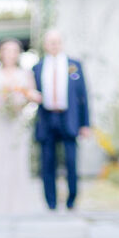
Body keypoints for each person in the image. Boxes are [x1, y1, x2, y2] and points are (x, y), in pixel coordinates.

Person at [32, 29, 91, 210]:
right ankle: (51, 202)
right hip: (47, 118)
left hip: (69, 118)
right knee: (48, 162)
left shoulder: (74, 65)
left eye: (57, 41)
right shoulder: (38, 67)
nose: (54, 45)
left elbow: (83, 95)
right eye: (50, 42)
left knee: (71, 161)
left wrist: (85, 124)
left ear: (62, 43)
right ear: (45, 45)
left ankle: (71, 199)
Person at [0, 38, 41, 213]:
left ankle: (19, 204)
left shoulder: (25, 74)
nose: (10, 54)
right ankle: (0, 204)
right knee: (0, 159)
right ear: (1, 53)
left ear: (18, 54)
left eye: (14, 51)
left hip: (18, 121)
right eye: (7, 50)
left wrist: (22, 96)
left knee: (19, 158)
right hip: (1, 121)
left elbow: (36, 96)